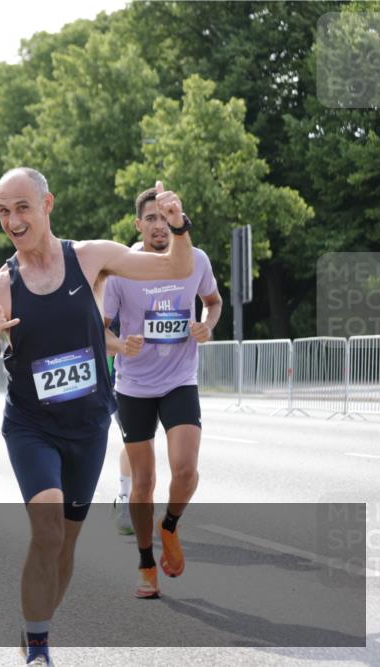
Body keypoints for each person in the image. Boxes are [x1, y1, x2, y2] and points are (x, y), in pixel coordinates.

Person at [0, 170, 194, 667]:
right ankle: (38, 650)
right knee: (47, 529)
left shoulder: (91, 257)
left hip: (88, 427)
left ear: (47, 203)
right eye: (3, 211)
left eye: (22, 207)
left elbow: (176, 267)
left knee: (66, 543)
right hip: (31, 426)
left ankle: (36, 625)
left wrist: (178, 225)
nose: (12, 220)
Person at [102, 185, 222, 598]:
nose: (159, 225)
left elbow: (213, 301)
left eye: (165, 217)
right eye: (150, 218)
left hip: (179, 379)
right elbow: (99, 330)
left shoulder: (196, 260)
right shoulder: (122, 269)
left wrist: (207, 325)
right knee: (143, 482)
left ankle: (169, 526)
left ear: (177, 219)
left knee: (185, 470)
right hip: (134, 386)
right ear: (138, 225)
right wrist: (121, 346)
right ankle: (145, 561)